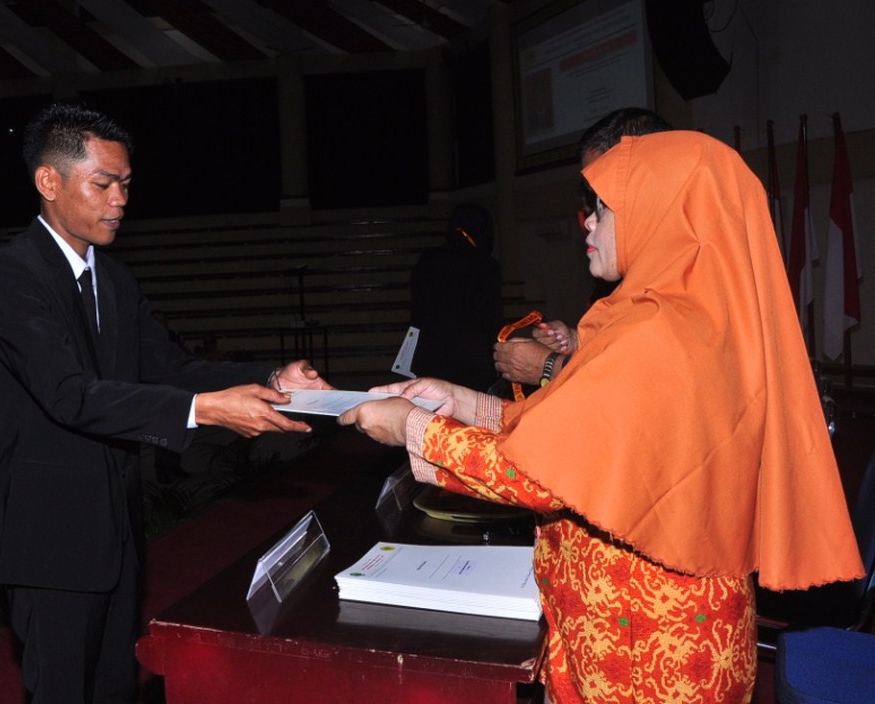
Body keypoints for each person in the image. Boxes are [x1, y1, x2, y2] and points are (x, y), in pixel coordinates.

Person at [339, 131, 863, 703]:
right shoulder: (684, 319)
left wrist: (410, 426)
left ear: (659, 213)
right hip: (656, 631)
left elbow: (544, 472)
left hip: (644, 652)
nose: (587, 222)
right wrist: (463, 403)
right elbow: (578, 433)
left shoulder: (657, 333)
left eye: (604, 208)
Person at [0, 101, 331, 704]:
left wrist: (272, 375)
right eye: (103, 184)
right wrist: (206, 409)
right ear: (49, 182)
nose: (120, 200)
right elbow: (69, 395)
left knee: (117, 688)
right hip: (52, 542)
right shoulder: (10, 275)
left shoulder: (114, 279)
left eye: (126, 184)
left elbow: (170, 366)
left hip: (118, 536)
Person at [493, 108, 672, 388]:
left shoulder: (690, 272)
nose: (589, 220)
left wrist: (549, 366)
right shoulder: (637, 277)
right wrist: (578, 341)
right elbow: (626, 349)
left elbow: (649, 387)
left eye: (604, 200)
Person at [409, 202, 503, 390]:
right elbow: (492, 317)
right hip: (473, 358)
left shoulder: (429, 259)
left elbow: (417, 310)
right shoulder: (485, 265)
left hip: (433, 353)